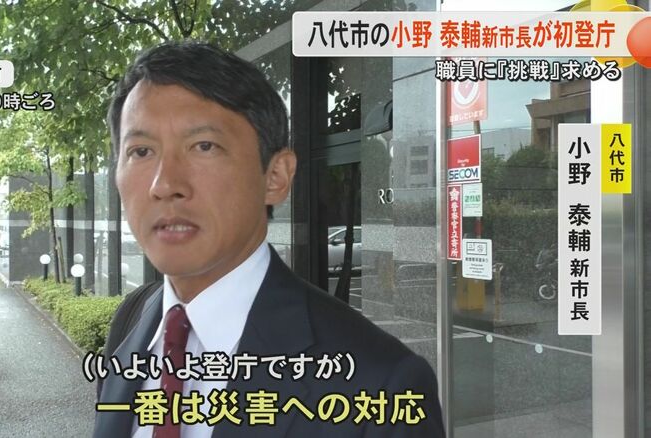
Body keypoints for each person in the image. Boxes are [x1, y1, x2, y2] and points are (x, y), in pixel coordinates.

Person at [93, 40, 445, 438]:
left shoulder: (383, 384)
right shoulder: (132, 322)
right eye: (141, 151)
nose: (164, 184)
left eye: (203, 146)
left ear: (275, 177)